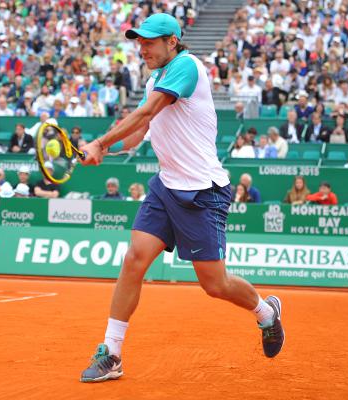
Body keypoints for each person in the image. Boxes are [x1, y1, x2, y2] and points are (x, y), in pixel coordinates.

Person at [78, 15, 284, 383]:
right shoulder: (155, 80)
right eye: (139, 42)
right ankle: (112, 352)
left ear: (172, 41)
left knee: (214, 285)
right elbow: (140, 130)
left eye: (150, 42)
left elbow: (145, 112)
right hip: (165, 186)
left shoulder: (186, 66)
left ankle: (266, 312)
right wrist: (102, 152)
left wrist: (100, 141)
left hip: (203, 192)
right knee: (134, 259)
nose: (142, 49)